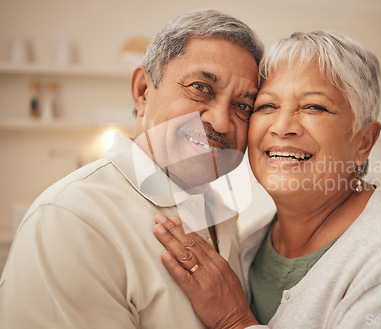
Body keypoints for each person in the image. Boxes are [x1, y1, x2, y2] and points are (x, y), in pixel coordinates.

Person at [153, 31, 381, 329]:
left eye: (314, 107)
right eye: (266, 106)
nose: (282, 126)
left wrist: (235, 322)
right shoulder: (251, 243)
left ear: (364, 142)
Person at [0, 9, 263, 328]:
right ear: (142, 92)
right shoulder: (72, 219)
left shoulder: (219, 212)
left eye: (243, 106)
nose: (221, 121)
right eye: (201, 87)